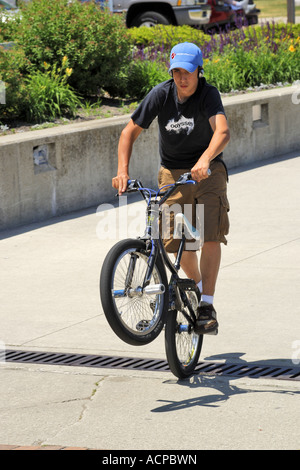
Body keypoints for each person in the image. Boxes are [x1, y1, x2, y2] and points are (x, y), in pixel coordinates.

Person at [112, 42, 230, 335]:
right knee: (174, 240)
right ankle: (198, 287)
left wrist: (205, 160)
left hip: (208, 170)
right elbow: (129, 132)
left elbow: (223, 131)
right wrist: (122, 172)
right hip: (172, 172)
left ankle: (207, 303)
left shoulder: (208, 94)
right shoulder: (160, 94)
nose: (182, 78)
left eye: (187, 72)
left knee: (210, 232)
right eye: (176, 71)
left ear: (198, 71)